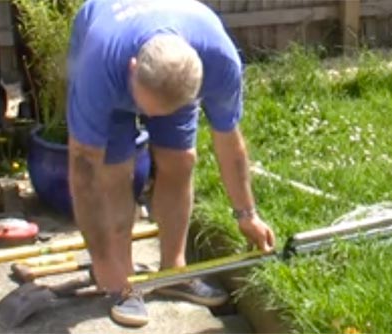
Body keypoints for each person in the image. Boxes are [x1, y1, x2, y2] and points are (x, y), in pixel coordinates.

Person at [67, 0, 276, 327]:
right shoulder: (100, 62)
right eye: (145, 108)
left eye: (157, 113)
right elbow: (83, 167)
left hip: (167, 72)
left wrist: (247, 214)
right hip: (111, 61)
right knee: (114, 171)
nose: (149, 119)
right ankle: (123, 281)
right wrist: (102, 258)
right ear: (133, 67)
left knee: (181, 160)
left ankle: (175, 271)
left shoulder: (219, 61)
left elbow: (228, 142)